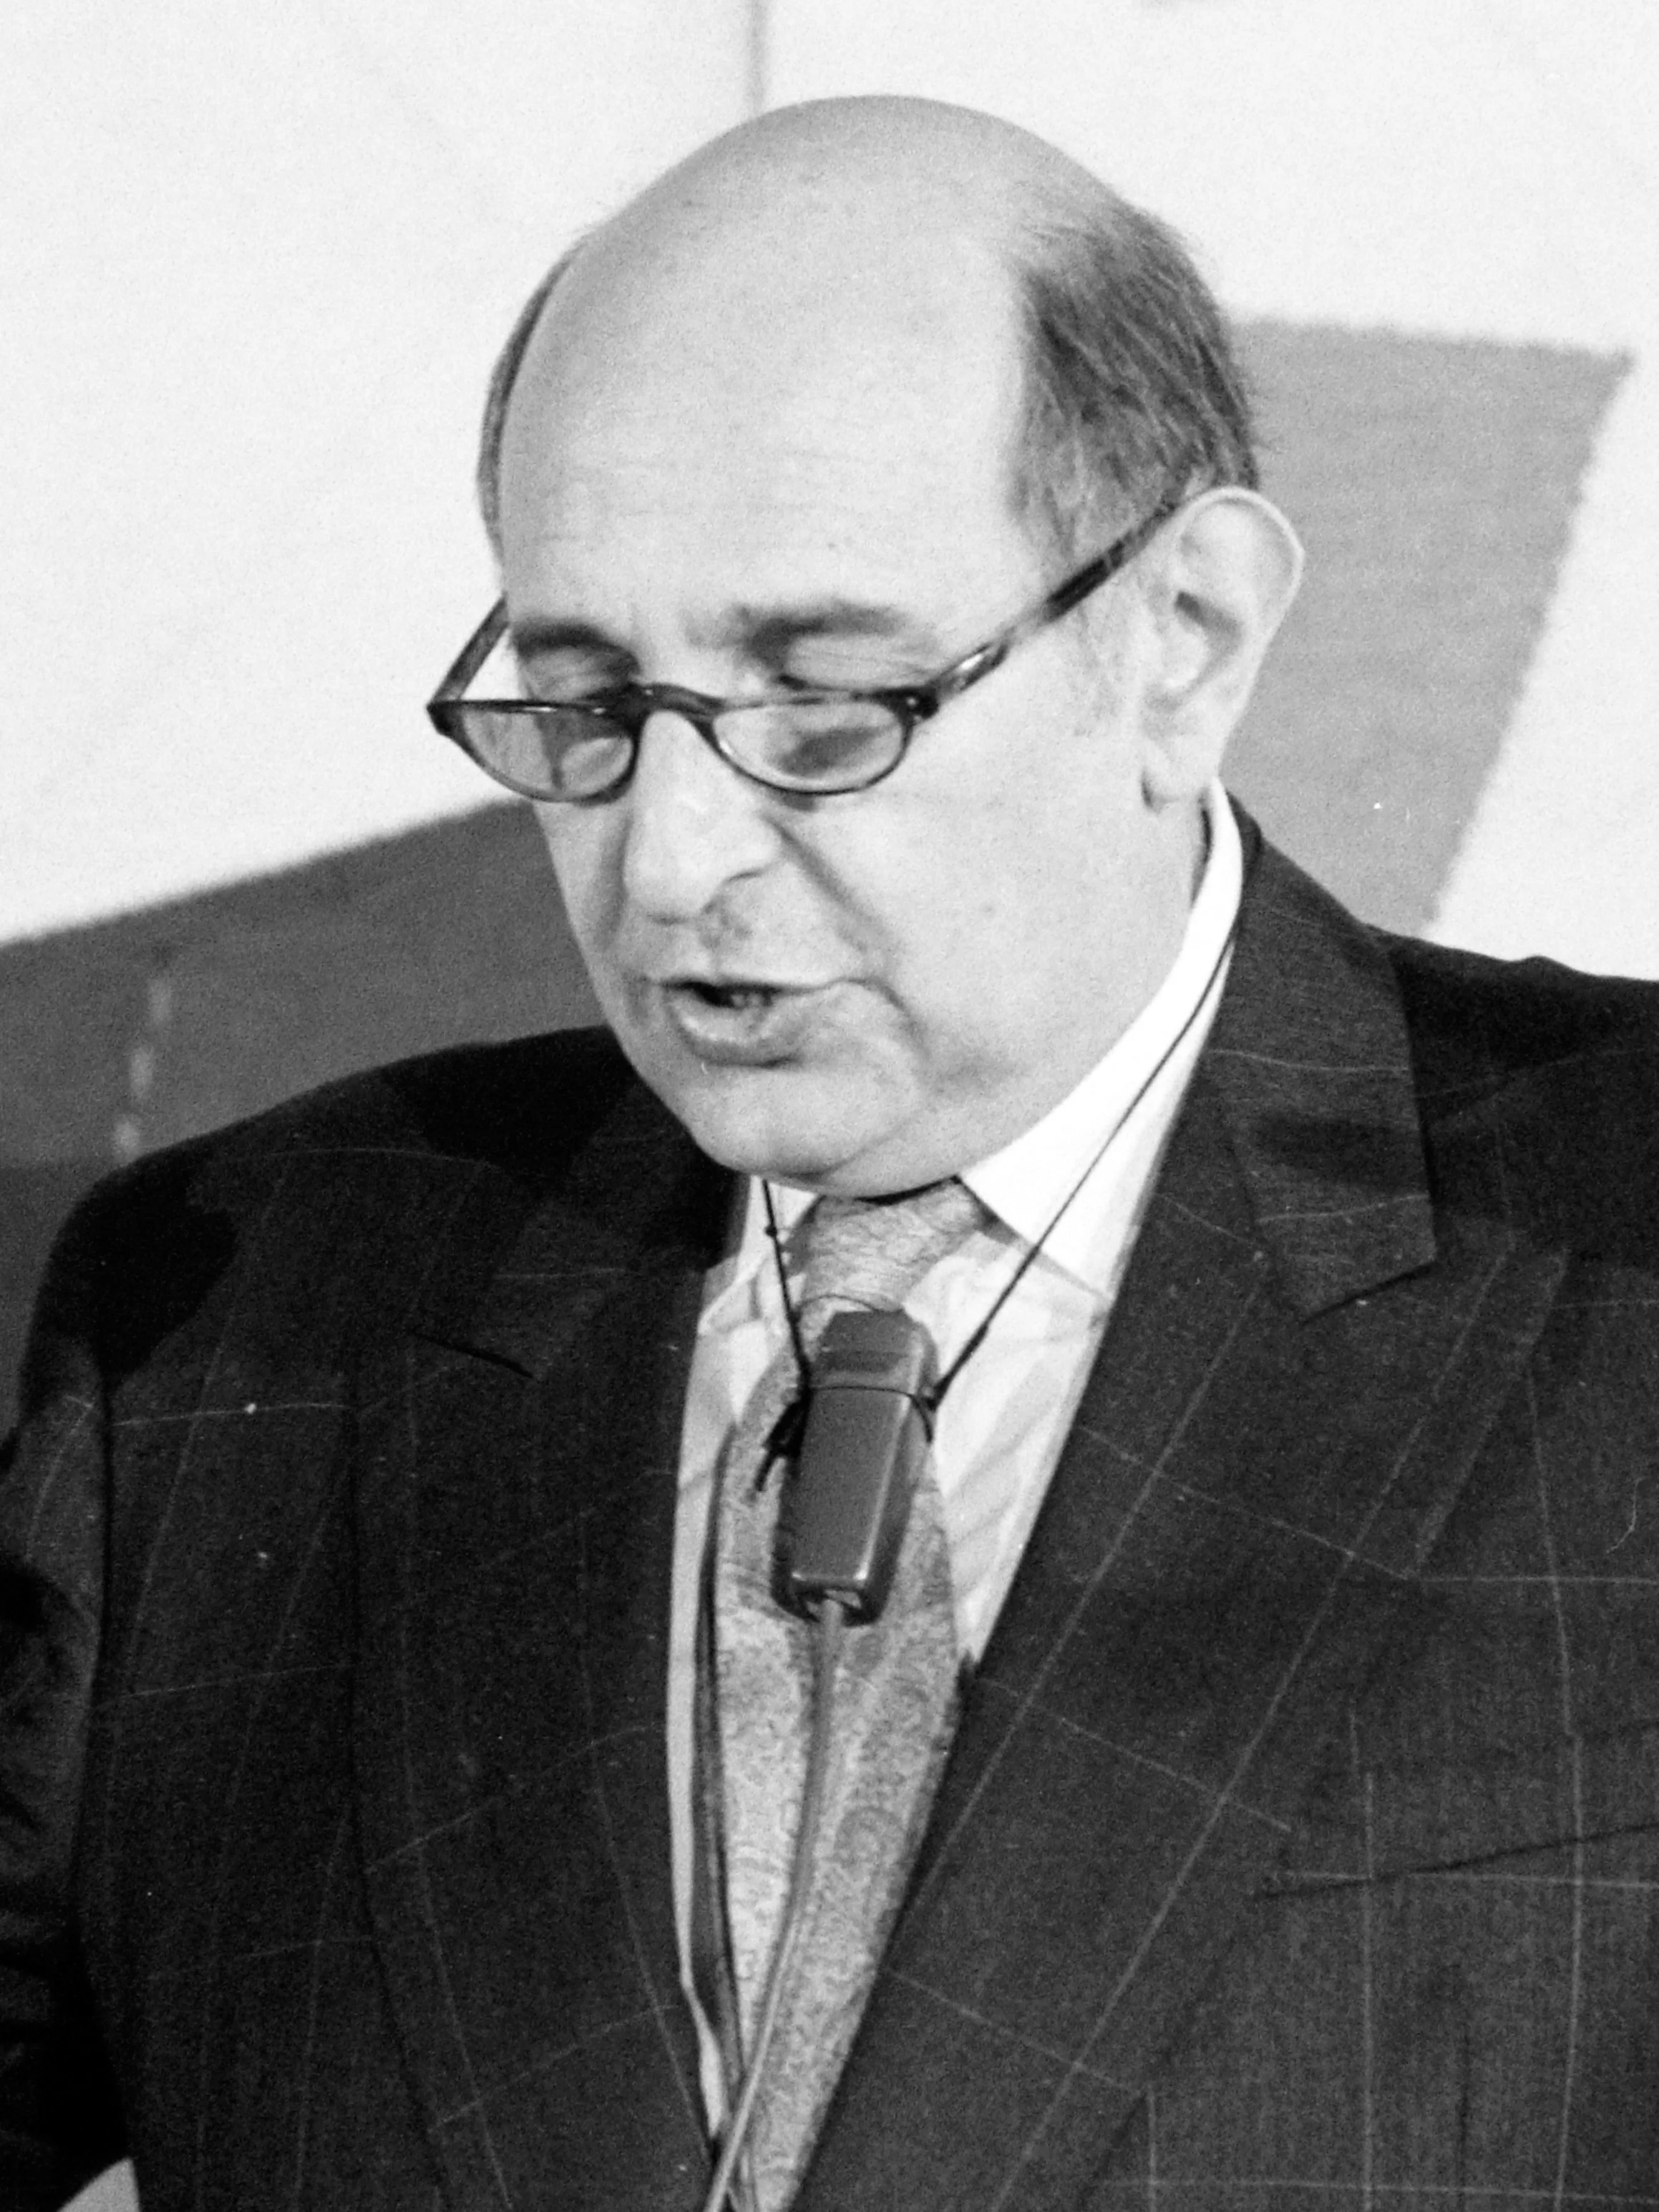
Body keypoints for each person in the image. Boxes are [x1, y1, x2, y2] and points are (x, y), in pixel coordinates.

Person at [4, 93, 1658, 2212]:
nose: (669, 864)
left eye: (825, 708)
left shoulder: (1614, 1231)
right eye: (587, 706)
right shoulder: (224, 1309)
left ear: (1184, 638)